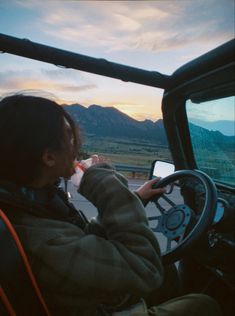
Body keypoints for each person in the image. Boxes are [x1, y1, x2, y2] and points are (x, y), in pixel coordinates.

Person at [0, 94, 221, 316]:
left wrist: (134, 199)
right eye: (68, 136)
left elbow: (83, 242)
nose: (77, 145)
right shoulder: (44, 241)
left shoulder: (31, 204)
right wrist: (105, 182)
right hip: (103, 307)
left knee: (170, 273)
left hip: (89, 297)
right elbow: (146, 268)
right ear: (48, 157)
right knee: (202, 304)